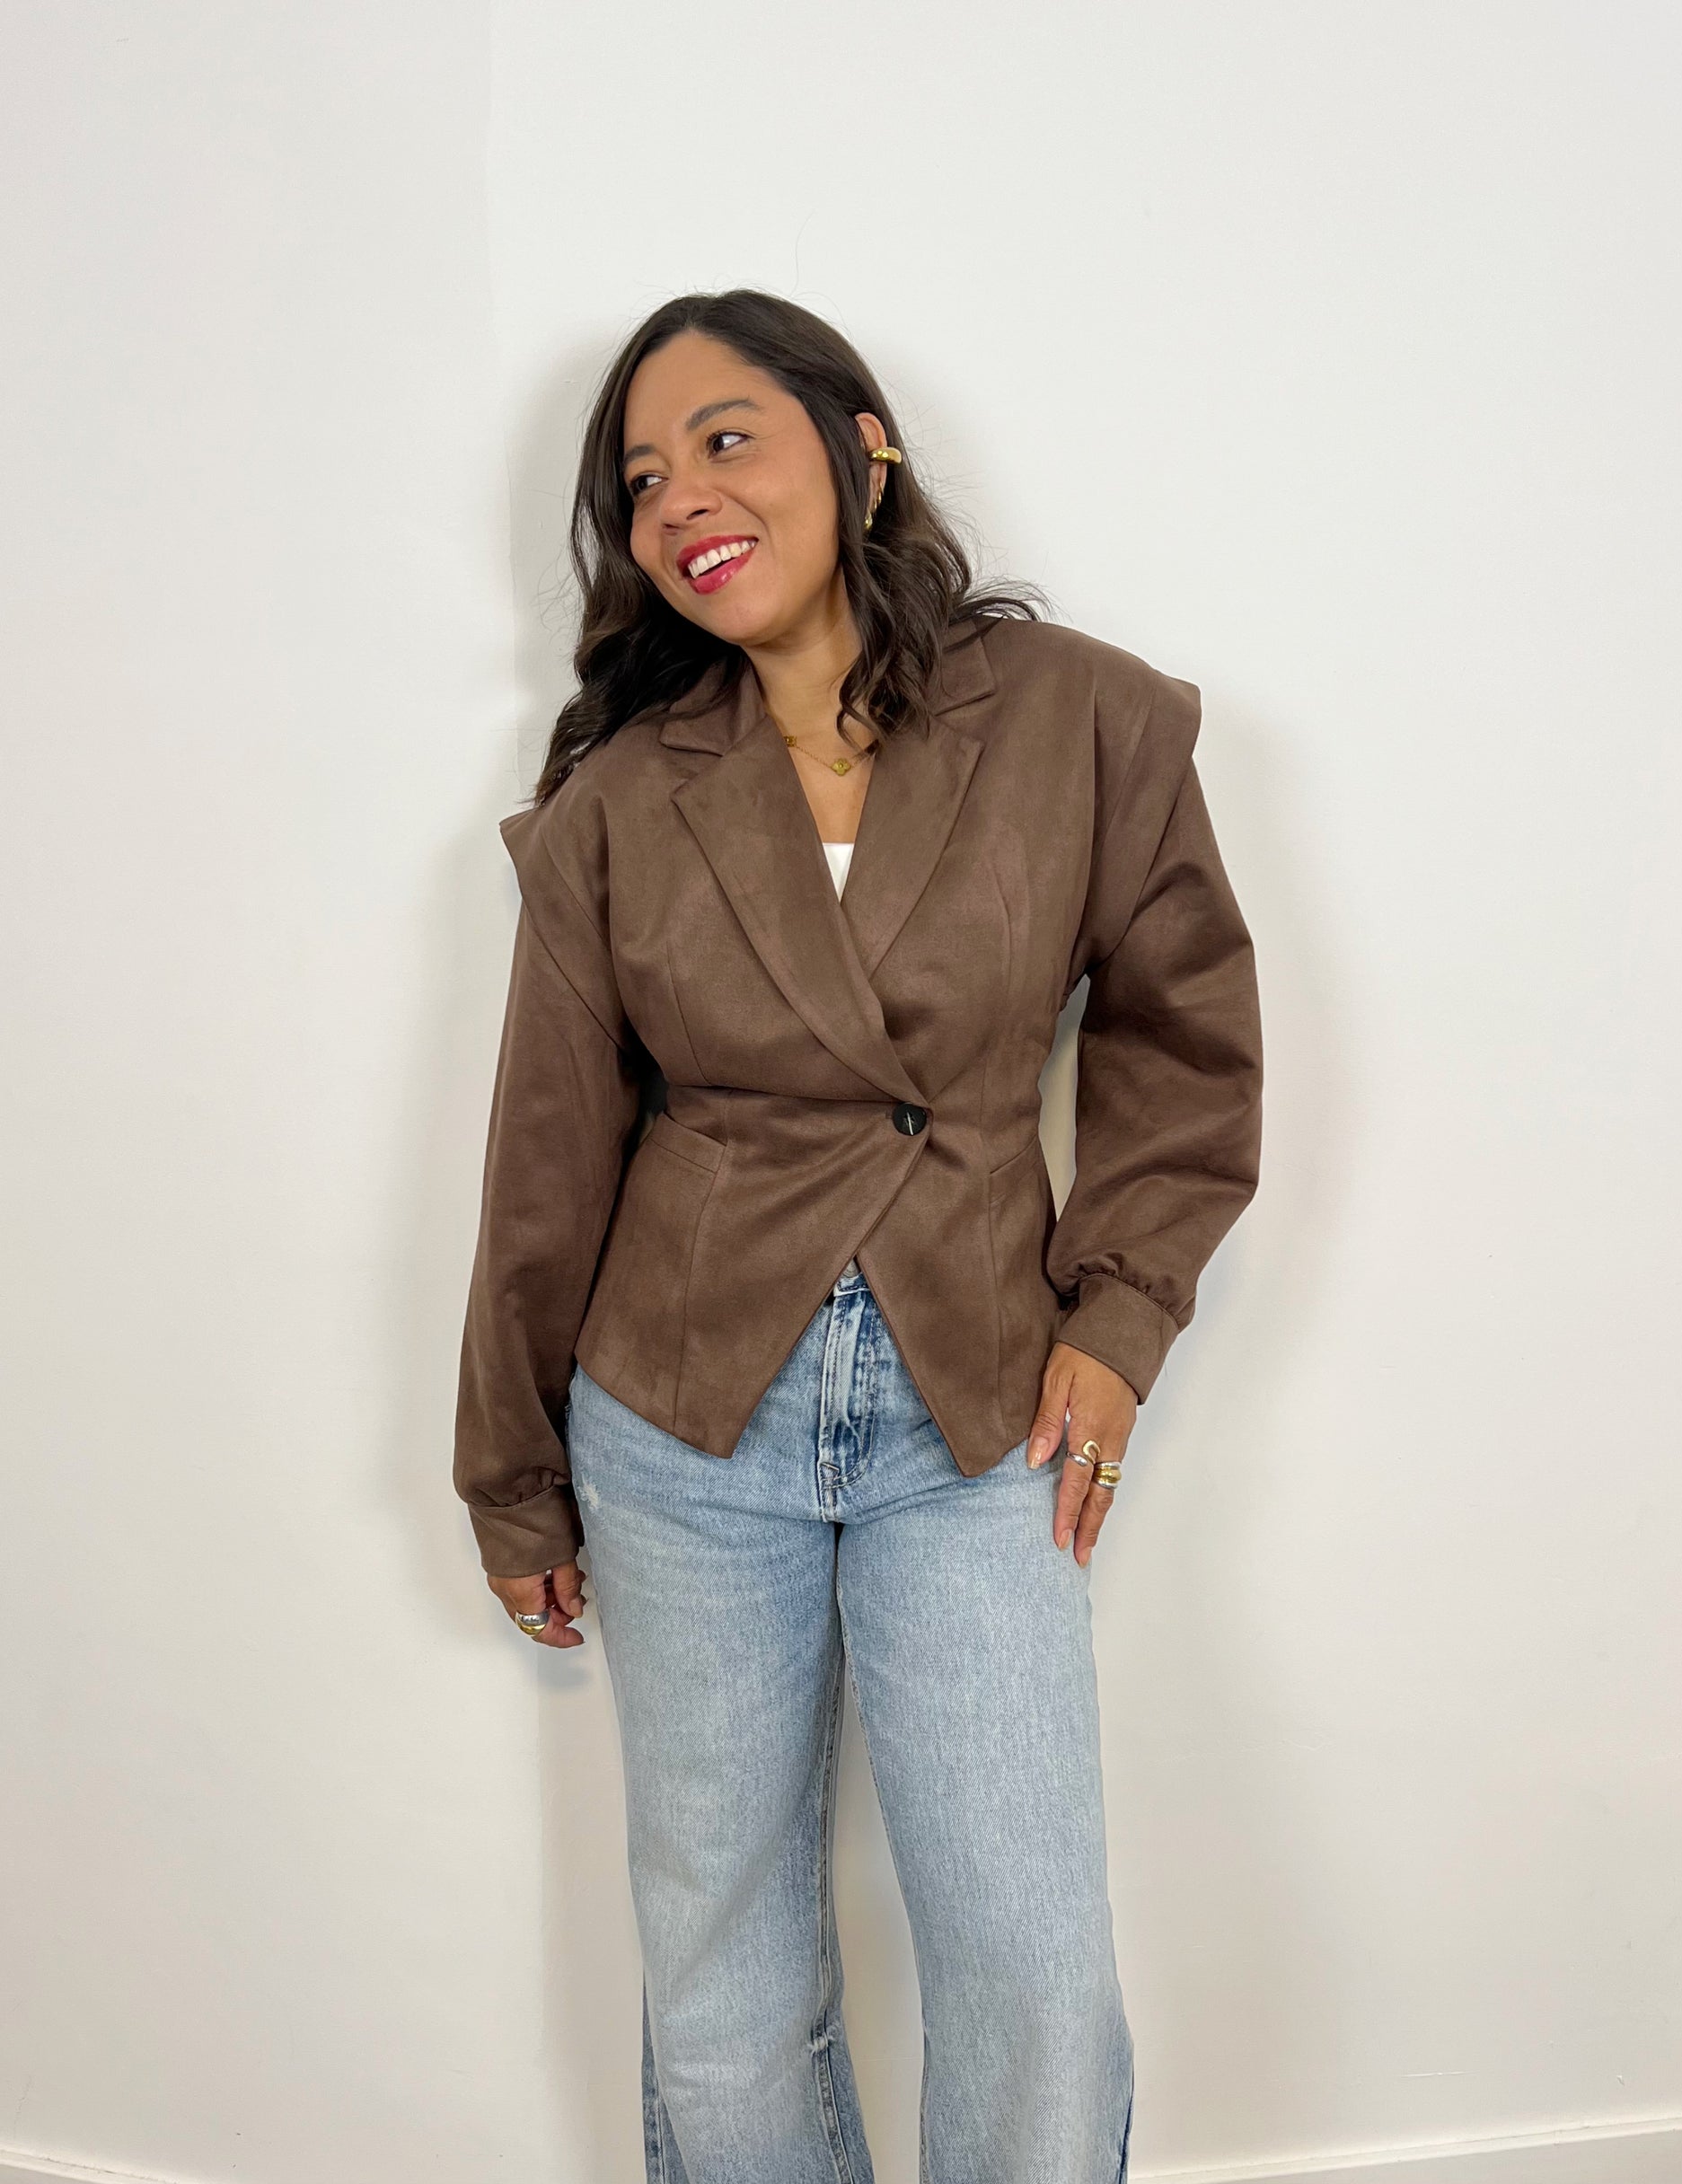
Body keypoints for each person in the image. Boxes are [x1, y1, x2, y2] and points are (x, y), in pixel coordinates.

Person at [453, 287, 1264, 2184]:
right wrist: (513, 1478)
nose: (680, 497)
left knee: (1029, 1961)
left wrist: (1118, 1319)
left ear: (860, 448)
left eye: (723, 438)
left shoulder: (1082, 719)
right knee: (719, 1974)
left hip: (977, 1397)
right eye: (640, 479)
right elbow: (545, 1156)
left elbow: (1184, 1045)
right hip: (681, 1415)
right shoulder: (618, 799)